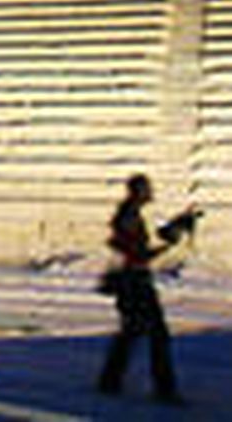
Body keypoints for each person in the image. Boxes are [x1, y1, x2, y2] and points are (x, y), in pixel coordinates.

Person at [97, 173, 193, 404]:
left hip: (132, 280)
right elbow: (137, 253)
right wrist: (170, 240)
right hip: (134, 282)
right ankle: (163, 389)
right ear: (137, 191)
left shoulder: (130, 214)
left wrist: (171, 232)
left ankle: (110, 380)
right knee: (157, 334)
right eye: (146, 188)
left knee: (131, 332)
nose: (151, 192)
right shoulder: (129, 216)